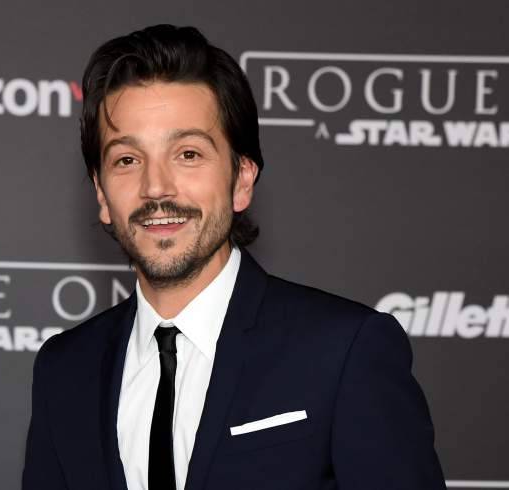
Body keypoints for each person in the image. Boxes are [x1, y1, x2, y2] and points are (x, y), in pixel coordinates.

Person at [22, 24, 446, 490]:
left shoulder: (344, 351)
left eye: (187, 154)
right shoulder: (65, 370)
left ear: (242, 179)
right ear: (102, 194)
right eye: (127, 160)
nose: (156, 187)